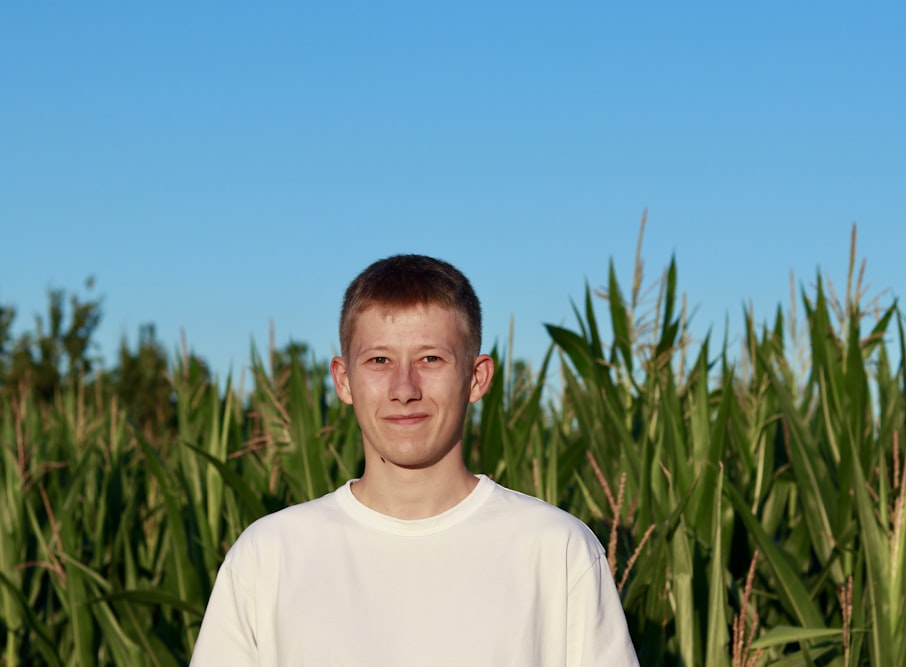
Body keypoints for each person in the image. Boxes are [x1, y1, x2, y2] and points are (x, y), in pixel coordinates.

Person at [190, 254, 639, 666]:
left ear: (477, 378)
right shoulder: (269, 557)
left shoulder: (556, 551)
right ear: (344, 381)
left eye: (430, 358)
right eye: (380, 359)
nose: (404, 389)